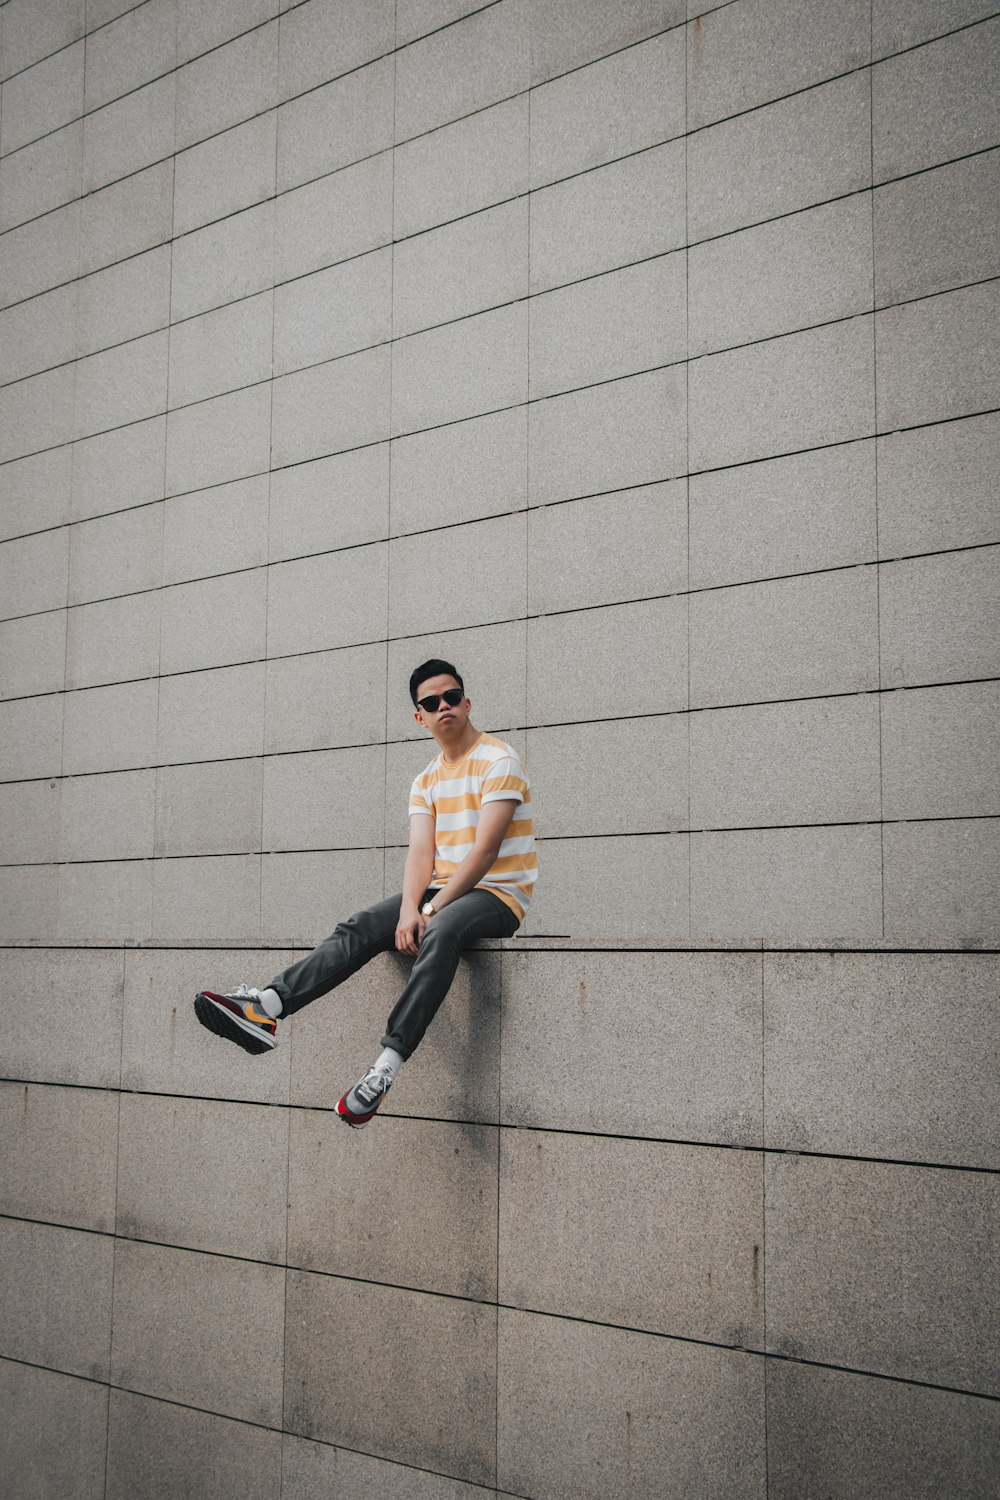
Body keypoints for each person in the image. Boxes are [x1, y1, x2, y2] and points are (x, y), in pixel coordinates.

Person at [194, 659, 537, 1127]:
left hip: (497, 893)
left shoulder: (500, 759)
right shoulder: (426, 780)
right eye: (431, 703)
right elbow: (420, 855)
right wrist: (407, 910)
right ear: (419, 717)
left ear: (467, 701)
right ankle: (267, 1005)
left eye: (452, 697)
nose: (444, 707)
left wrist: (429, 909)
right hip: (442, 889)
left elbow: (483, 854)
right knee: (361, 925)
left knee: (443, 929)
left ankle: (383, 1070)